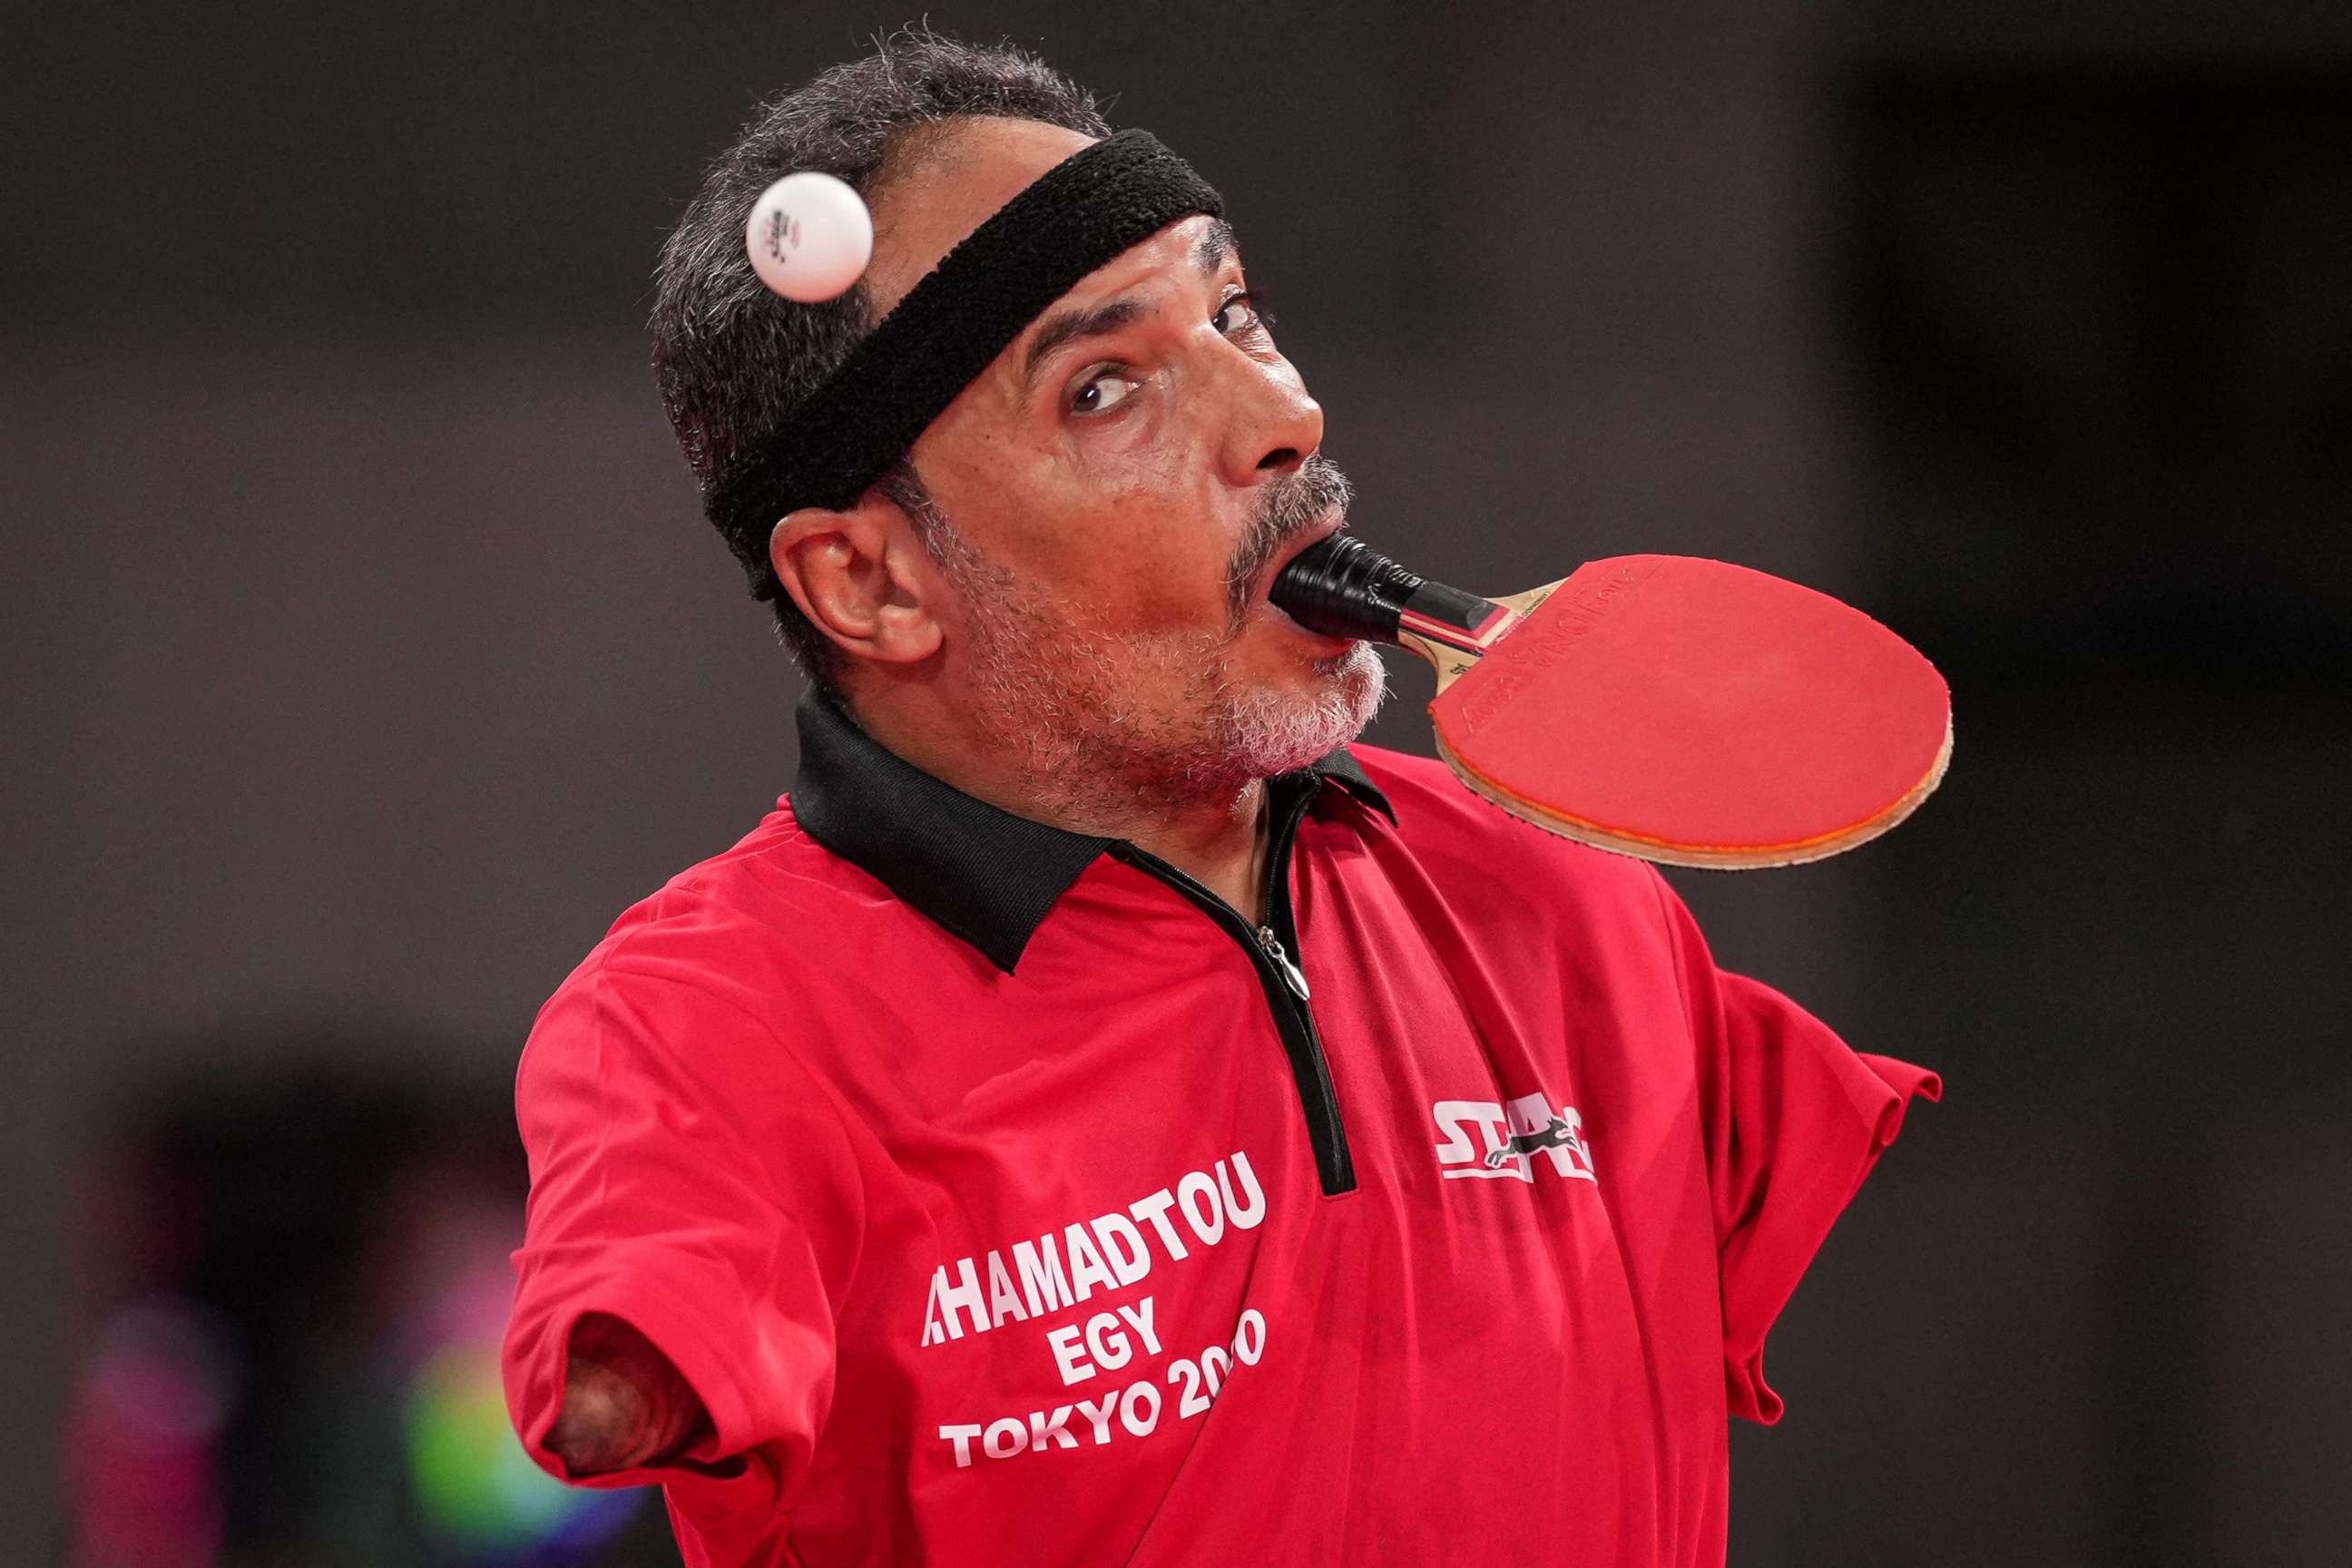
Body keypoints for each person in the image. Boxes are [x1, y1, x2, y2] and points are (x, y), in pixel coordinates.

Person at [499, 29, 1939, 1568]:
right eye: (1107, 387)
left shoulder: (1566, 910)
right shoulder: (720, 1024)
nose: (1279, 416)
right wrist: (625, 1371)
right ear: (869, 581)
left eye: (1236, 310)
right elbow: (640, 1311)